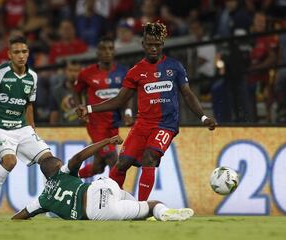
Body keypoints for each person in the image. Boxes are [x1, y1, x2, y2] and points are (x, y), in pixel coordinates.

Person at [76, 22, 216, 201]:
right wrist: (88, 108)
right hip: (142, 124)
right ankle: (110, 204)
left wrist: (203, 117)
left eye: (157, 45)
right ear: (143, 44)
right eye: (149, 44)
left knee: (149, 157)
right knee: (121, 164)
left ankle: (141, 207)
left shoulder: (175, 67)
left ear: (162, 45)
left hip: (166, 125)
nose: (153, 49)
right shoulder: (136, 71)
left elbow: (187, 95)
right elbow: (119, 100)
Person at [11, 135, 194, 221]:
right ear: (58, 166)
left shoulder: (43, 200)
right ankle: (159, 212)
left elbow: (20, 216)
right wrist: (107, 141)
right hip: (103, 189)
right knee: (134, 200)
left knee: (143, 206)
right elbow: (78, 158)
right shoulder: (63, 172)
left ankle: (154, 212)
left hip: (96, 213)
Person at [0, 35, 53, 218]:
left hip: (22, 127)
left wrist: (32, 129)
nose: (21, 56)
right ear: (9, 54)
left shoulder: (32, 77)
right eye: (16, 52)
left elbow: (29, 105)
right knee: (10, 162)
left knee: (50, 161)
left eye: (24, 51)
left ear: (28, 53)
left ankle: (52, 205)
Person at [74, 36, 134, 178]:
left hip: (114, 124)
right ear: (97, 53)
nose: (107, 52)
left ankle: (67, 177)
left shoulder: (124, 72)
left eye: (110, 48)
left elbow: (129, 95)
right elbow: (76, 91)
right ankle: (119, 196)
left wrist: (128, 111)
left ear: (114, 51)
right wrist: (80, 108)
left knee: (98, 168)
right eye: (103, 49)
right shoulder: (86, 74)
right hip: (96, 125)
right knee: (113, 160)